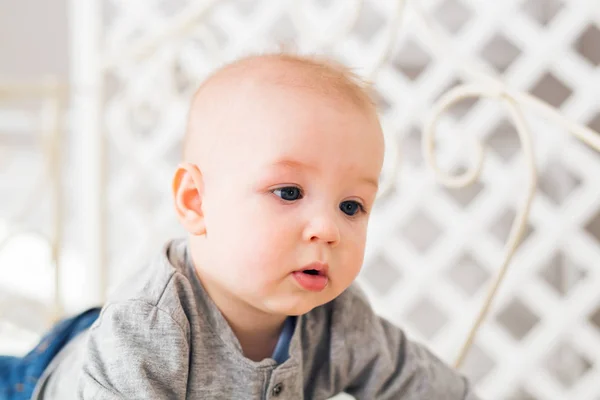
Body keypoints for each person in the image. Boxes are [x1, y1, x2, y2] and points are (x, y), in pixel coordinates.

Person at [0, 53, 481, 399]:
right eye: (289, 192)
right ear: (196, 203)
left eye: (352, 206)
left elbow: (428, 388)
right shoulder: (150, 327)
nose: (328, 229)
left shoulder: (338, 321)